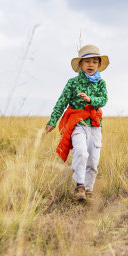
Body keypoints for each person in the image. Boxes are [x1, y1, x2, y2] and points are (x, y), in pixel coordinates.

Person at [45, 44, 109, 201]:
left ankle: (89, 189)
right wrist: (52, 121)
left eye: (95, 62)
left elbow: (104, 99)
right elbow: (62, 102)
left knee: (94, 160)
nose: (91, 65)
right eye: (87, 61)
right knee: (80, 151)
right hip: (78, 124)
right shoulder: (72, 83)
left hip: (95, 125)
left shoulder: (101, 83)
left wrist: (90, 100)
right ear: (81, 64)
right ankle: (79, 186)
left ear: (99, 65)